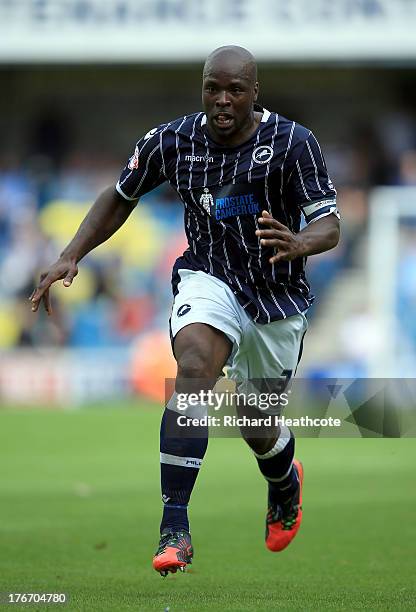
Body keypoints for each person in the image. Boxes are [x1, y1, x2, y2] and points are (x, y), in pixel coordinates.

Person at [30, 46, 340, 577]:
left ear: (254, 93)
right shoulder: (170, 140)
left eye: (235, 90)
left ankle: (284, 481)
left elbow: (329, 224)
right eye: (212, 88)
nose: (222, 99)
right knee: (194, 368)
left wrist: (299, 242)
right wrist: (70, 254)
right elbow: (121, 194)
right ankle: (175, 527)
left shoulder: (293, 143)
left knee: (256, 422)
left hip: (277, 297)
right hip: (209, 277)